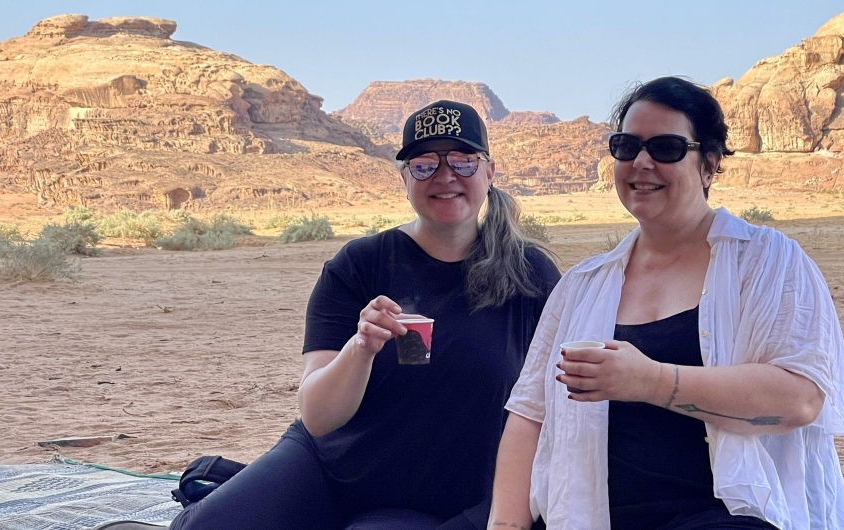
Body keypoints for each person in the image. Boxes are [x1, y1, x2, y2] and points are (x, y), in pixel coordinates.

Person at [171, 100, 561, 530]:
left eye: (464, 162)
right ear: (404, 178)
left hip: (445, 494)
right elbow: (318, 416)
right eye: (425, 163)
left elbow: (553, 413)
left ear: (489, 172)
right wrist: (361, 347)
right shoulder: (359, 264)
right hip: (328, 468)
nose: (445, 176)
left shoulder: (529, 276)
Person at [488, 77, 844, 530]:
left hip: (724, 516)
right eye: (627, 146)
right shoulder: (584, 284)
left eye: (666, 148)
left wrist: (651, 381)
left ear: (710, 165)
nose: (642, 162)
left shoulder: (768, 261)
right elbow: (530, 414)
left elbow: (800, 399)